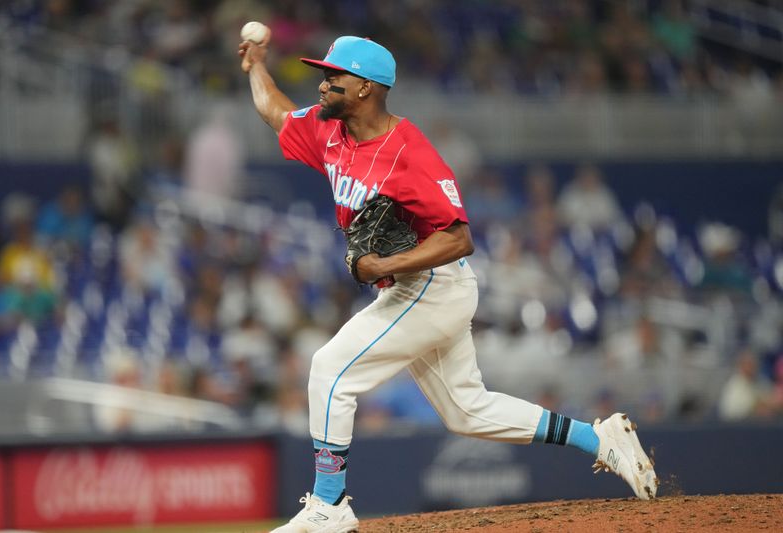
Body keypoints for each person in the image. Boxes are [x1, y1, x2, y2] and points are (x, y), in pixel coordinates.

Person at [238, 33, 658, 532]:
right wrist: (255, 66)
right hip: (414, 290)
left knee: (329, 369)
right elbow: (277, 113)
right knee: (467, 412)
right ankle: (600, 439)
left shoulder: (408, 152)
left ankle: (330, 505)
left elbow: (459, 239)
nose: (322, 82)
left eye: (334, 75)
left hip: (433, 287)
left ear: (367, 88)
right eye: (323, 73)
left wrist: (384, 266)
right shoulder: (331, 131)